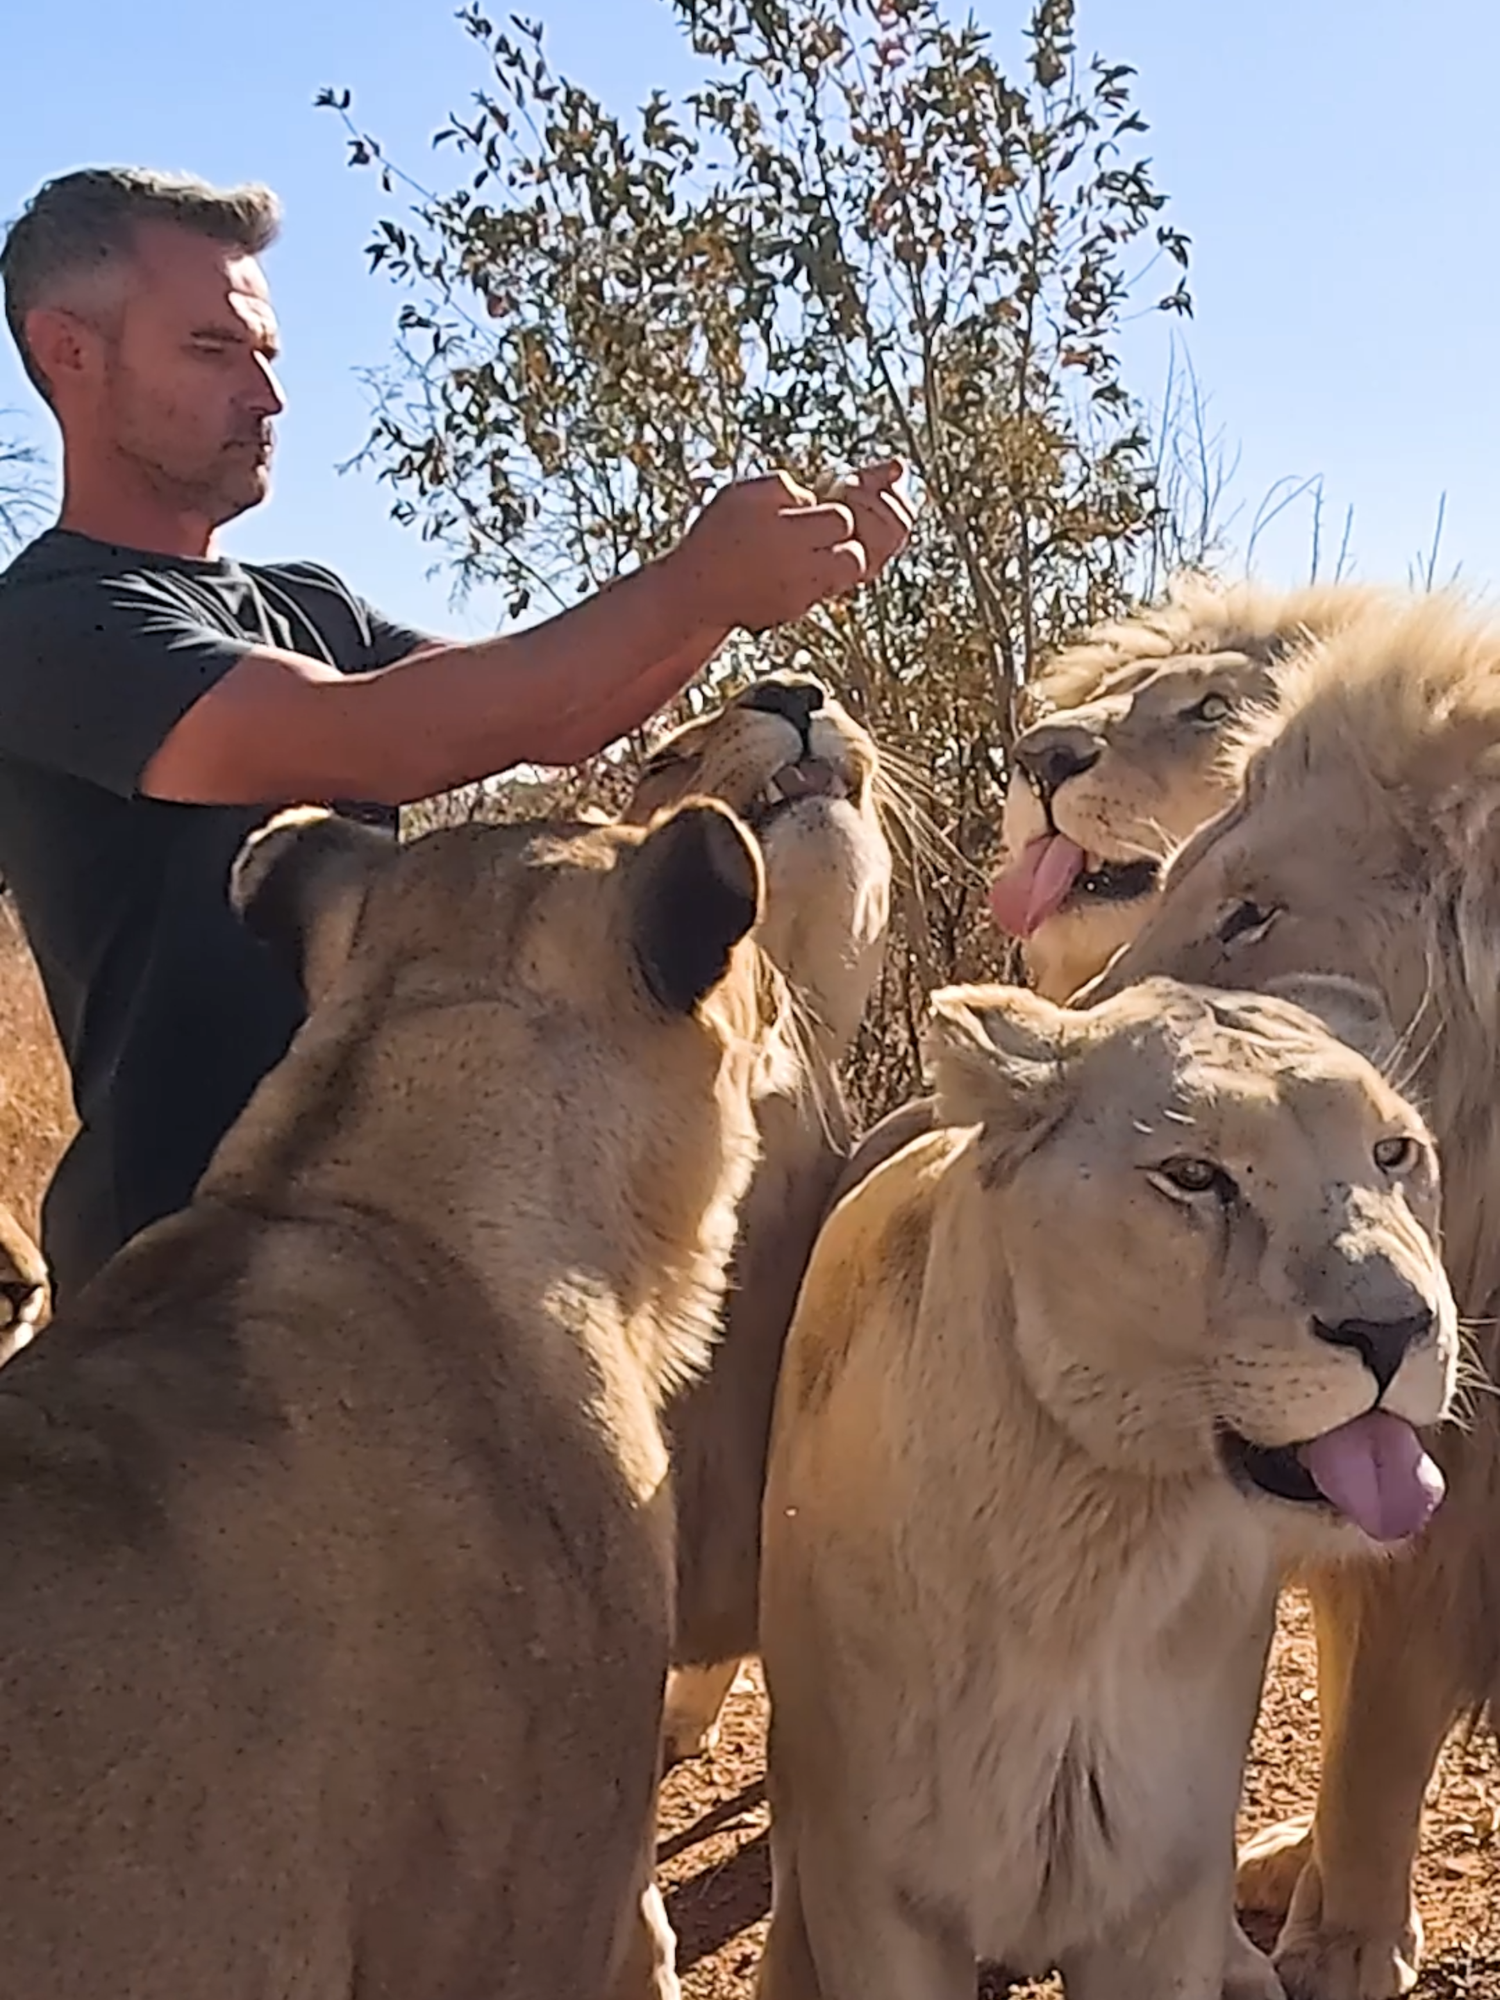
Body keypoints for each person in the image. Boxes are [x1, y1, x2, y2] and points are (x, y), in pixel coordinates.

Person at [0, 166, 913, 1306]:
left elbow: (551, 714)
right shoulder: (50, 625)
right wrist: (695, 581)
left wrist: (734, 594)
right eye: (211, 349)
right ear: (70, 352)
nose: (267, 394)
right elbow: (385, 740)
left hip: (369, 1265)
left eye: (267, 352)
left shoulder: (313, 602)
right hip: (176, 1301)